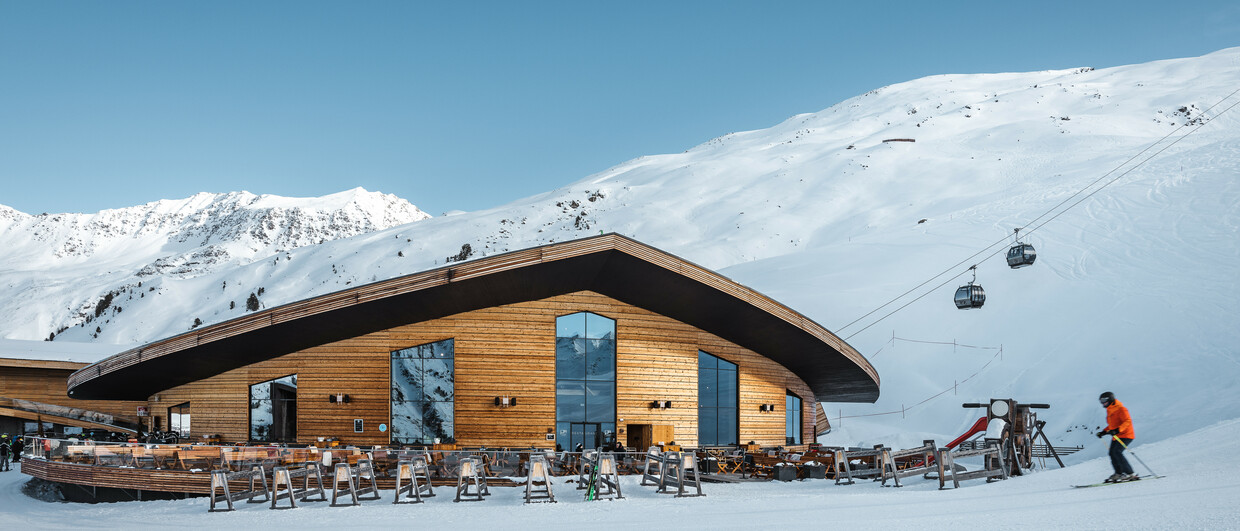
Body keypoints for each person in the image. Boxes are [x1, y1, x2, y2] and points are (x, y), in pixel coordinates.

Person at [1096, 391, 1136, 482]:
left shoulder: (1121, 409)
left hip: (1126, 435)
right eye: (1101, 401)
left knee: (1117, 452)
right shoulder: (1110, 410)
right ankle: (1119, 473)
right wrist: (1104, 432)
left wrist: (1118, 430)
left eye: (1104, 400)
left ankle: (1130, 474)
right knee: (1112, 453)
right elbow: (1112, 425)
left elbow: (1127, 421)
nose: (1102, 403)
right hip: (1117, 436)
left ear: (1110, 399)